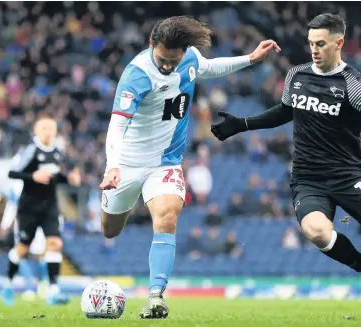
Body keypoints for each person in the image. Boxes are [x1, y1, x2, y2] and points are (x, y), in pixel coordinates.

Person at [211, 13, 361, 322]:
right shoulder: (296, 75)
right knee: (317, 232)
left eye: (321, 43)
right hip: (308, 178)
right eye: (310, 43)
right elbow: (286, 110)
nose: (314, 49)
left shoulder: (353, 84)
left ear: (339, 43)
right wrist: (243, 124)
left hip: (349, 175)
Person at [98, 16, 280, 319]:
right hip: (127, 164)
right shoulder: (136, 75)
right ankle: (123, 203)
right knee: (110, 231)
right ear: (151, 45)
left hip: (165, 162)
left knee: (168, 216)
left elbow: (209, 68)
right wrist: (112, 167)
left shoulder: (190, 58)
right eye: (162, 60)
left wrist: (251, 58)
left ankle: (155, 295)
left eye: (174, 60)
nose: (168, 66)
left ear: (183, 52)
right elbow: (116, 126)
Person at [0, 113, 81, 306]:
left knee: (55, 243)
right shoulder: (30, 150)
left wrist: (68, 178)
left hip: (50, 207)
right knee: (22, 248)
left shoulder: (57, 152)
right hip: (28, 207)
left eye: (52, 128)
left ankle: (53, 291)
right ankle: (8, 285)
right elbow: (12, 172)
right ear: (36, 131)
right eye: (45, 128)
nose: (49, 132)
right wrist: (32, 176)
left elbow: (54, 176)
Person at [0, 180, 49, 299]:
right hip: (28, 224)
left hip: (32, 223)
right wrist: (6, 224)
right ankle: (35, 288)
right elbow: (12, 206)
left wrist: (5, 224)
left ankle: (38, 287)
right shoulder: (19, 185)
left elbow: (12, 206)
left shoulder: (20, 185)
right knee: (26, 254)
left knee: (32, 255)